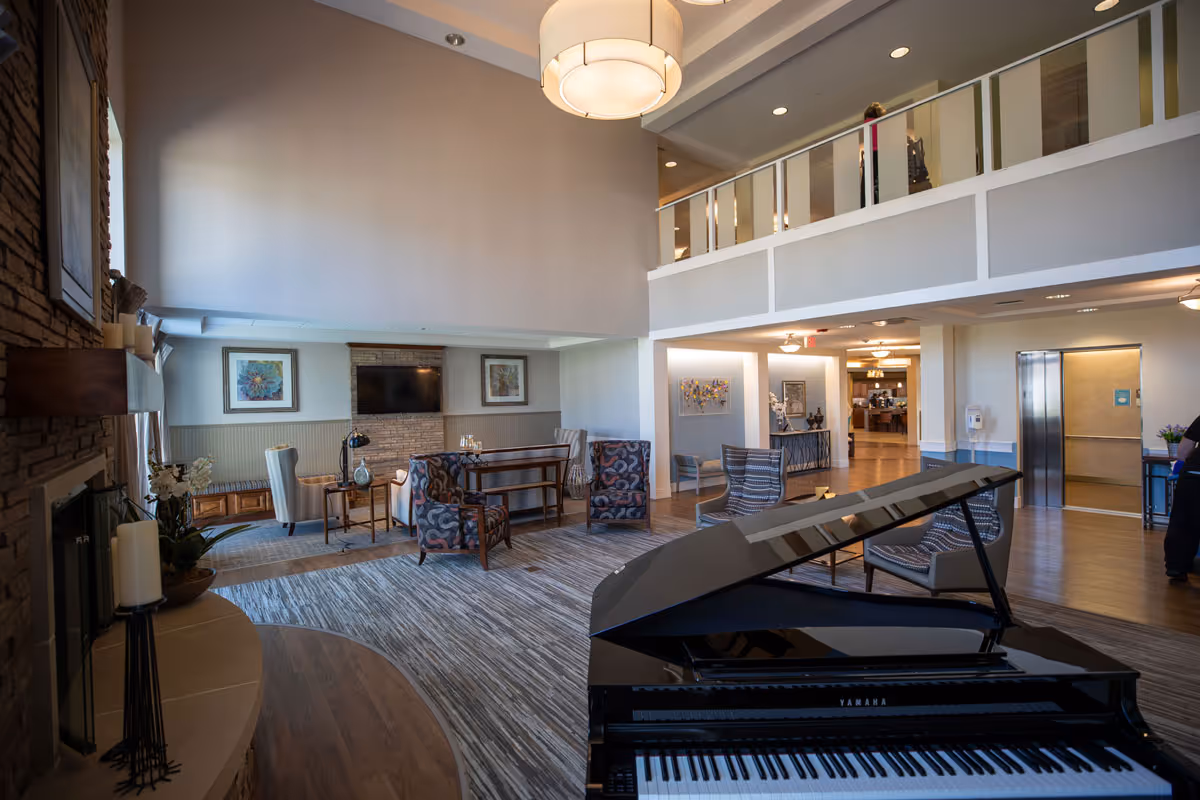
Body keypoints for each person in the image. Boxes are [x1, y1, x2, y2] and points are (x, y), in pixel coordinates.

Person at [1163, 414, 1200, 581]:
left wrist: (1185, 465)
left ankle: (1176, 566)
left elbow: (1185, 447)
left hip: (1193, 473)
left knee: (1183, 520)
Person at [861, 102, 885, 207]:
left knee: (867, 185)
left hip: (870, 155)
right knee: (878, 183)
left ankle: (867, 204)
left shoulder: (867, 125)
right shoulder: (881, 125)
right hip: (880, 154)